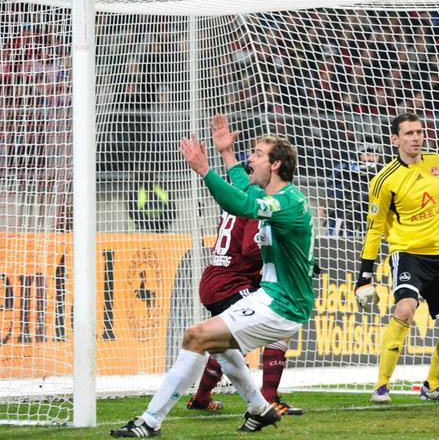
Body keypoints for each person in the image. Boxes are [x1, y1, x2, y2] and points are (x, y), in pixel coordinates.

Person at [111, 114, 314, 437]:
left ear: (275, 165)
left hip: (284, 305)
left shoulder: (286, 203)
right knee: (220, 347)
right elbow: (245, 191)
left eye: (258, 154)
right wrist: (226, 154)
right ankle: (261, 409)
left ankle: (150, 422)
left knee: (196, 336)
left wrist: (205, 169)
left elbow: (242, 204)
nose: (251, 159)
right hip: (270, 295)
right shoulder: (275, 197)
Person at [354, 113, 439, 404]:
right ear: (395, 139)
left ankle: (432, 386)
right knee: (405, 310)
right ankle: (382, 385)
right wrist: (364, 275)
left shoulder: (437, 163)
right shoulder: (384, 180)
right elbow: (373, 229)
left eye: (419, 132)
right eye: (409, 133)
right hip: (408, 254)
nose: (416, 138)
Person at [185, 211, 303, 416]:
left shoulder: (237, 199)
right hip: (231, 284)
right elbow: (250, 249)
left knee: (228, 343)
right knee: (278, 318)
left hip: (218, 279)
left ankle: (201, 398)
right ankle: (269, 398)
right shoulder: (256, 204)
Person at [327, 141, 381, 236]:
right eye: (367, 154)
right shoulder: (344, 169)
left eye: (375, 155)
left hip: (370, 217)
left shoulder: (383, 172)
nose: (371, 158)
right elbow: (330, 190)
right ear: (360, 154)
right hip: (342, 216)